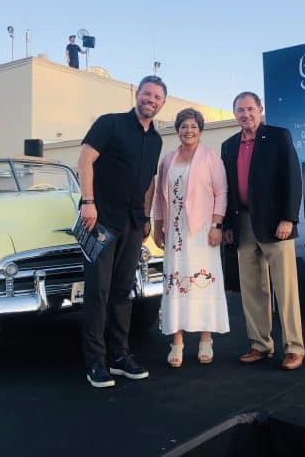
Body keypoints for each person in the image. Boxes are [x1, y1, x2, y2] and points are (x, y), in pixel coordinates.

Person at [77, 75, 167, 388]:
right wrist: (88, 202)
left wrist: (145, 217)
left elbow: (150, 182)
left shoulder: (156, 140)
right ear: (137, 94)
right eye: (147, 94)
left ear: (162, 104)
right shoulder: (110, 124)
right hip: (99, 220)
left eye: (157, 97)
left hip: (132, 224)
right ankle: (95, 362)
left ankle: (119, 355)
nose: (151, 100)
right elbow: (85, 160)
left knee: (122, 292)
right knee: (98, 292)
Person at [221, 91, 305, 371]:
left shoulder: (279, 136)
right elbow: (228, 188)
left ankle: (294, 347)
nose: (245, 114)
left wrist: (288, 218)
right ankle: (260, 344)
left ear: (260, 109)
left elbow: (292, 177)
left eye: (250, 109)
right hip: (243, 223)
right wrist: (229, 226)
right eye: (240, 110)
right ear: (234, 114)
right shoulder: (228, 145)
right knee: (252, 289)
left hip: (275, 224)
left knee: (286, 288)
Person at [153, 108, 229, 368]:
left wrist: (217, 224)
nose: (188, 131)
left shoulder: (210, 158)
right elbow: (159, 195)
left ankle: (206, 340)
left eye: (193, 126)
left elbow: (222, 192)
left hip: (202, 229)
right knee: (175, 281)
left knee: (202, 281)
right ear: (177, 129)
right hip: (175, 230)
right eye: (184, 126)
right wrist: (158, 223)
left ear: (200, 130)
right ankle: (177, 342)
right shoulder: (168, 159)